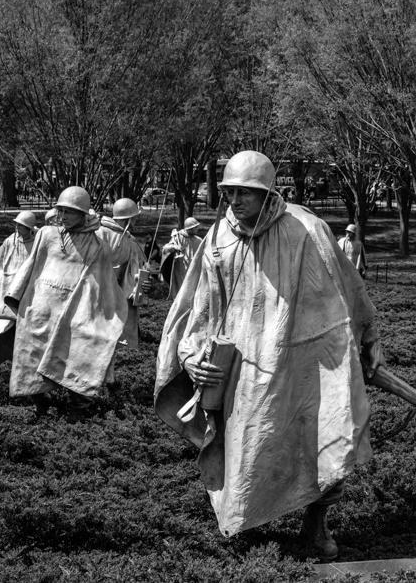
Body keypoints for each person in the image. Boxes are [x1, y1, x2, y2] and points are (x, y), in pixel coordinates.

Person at [154, 150, 384, 561]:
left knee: (319, 440)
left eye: (246, 192)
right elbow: (200, 306)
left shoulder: (307, 230)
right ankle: (239, 523)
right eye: (229, 192)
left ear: (267, 193)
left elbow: (348, 291)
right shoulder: (218, 237)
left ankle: (316, 527)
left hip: (306, 363)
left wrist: (367, 340)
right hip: (241, 367)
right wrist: (191, 355)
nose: (235, 201)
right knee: (242, 447)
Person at [3, 187, 127, 421]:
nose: (64, 216)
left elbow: (101, 284)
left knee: (77, 359)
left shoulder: (97, 245)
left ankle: (77, 411)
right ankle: (40, 402)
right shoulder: (46, 234)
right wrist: (15, 297)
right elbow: (31, 266)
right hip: (40, 312)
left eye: (70, 211)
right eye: (61, 210)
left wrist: (99, 317)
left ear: (83, 214)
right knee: (29, 359)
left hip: (74, 314)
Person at [0, 211, 38, 374]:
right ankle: (4, 354)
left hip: (25, 292)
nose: (17, 227)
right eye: (17, 224)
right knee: (2, 324)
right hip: (5, 290)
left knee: (23, 325)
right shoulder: (9, 241)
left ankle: (25, 358)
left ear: (29, 228)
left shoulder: (37, 243)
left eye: (21, 225)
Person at [96, 198, 148, 349]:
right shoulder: (101, 234)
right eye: (135, 217)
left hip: (125, 297)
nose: (136, 220)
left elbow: (139, 268)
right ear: (130, 219)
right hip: (105, 294)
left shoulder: (129, 240)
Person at [161, 217, 203, 300]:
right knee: (181, 292)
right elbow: (165, 248)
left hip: (193, 270)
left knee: (192, 293)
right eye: (195, 227)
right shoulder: (177, 237)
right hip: (180, 270)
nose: (197, 229)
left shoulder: (198, 240)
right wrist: (174, 247)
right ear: (190, 229)